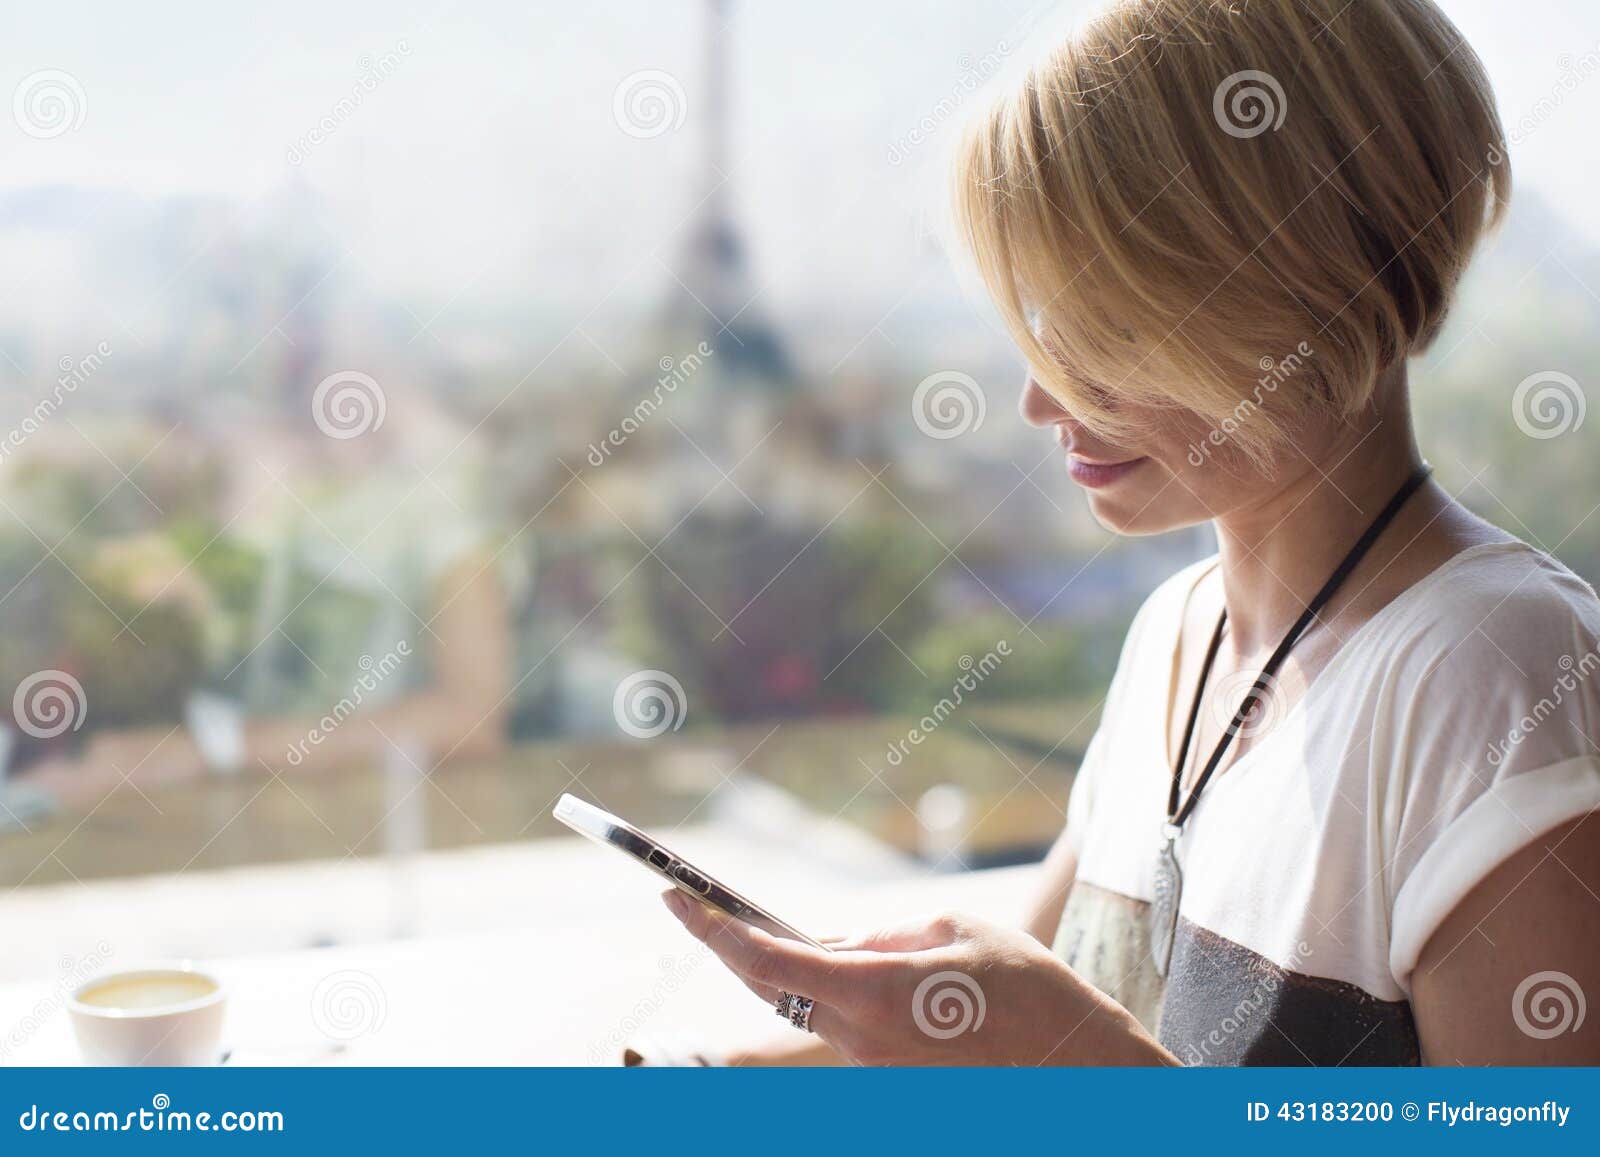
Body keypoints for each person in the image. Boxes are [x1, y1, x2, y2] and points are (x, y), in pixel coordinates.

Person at [663, 0, 1600, 1065]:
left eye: (1106, 322)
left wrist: (1079, 1058)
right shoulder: (1176, 637)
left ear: (1308, 290)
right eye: (1040, 321)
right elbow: (1009, 1029)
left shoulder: (1495, 671)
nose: (1039, 400)